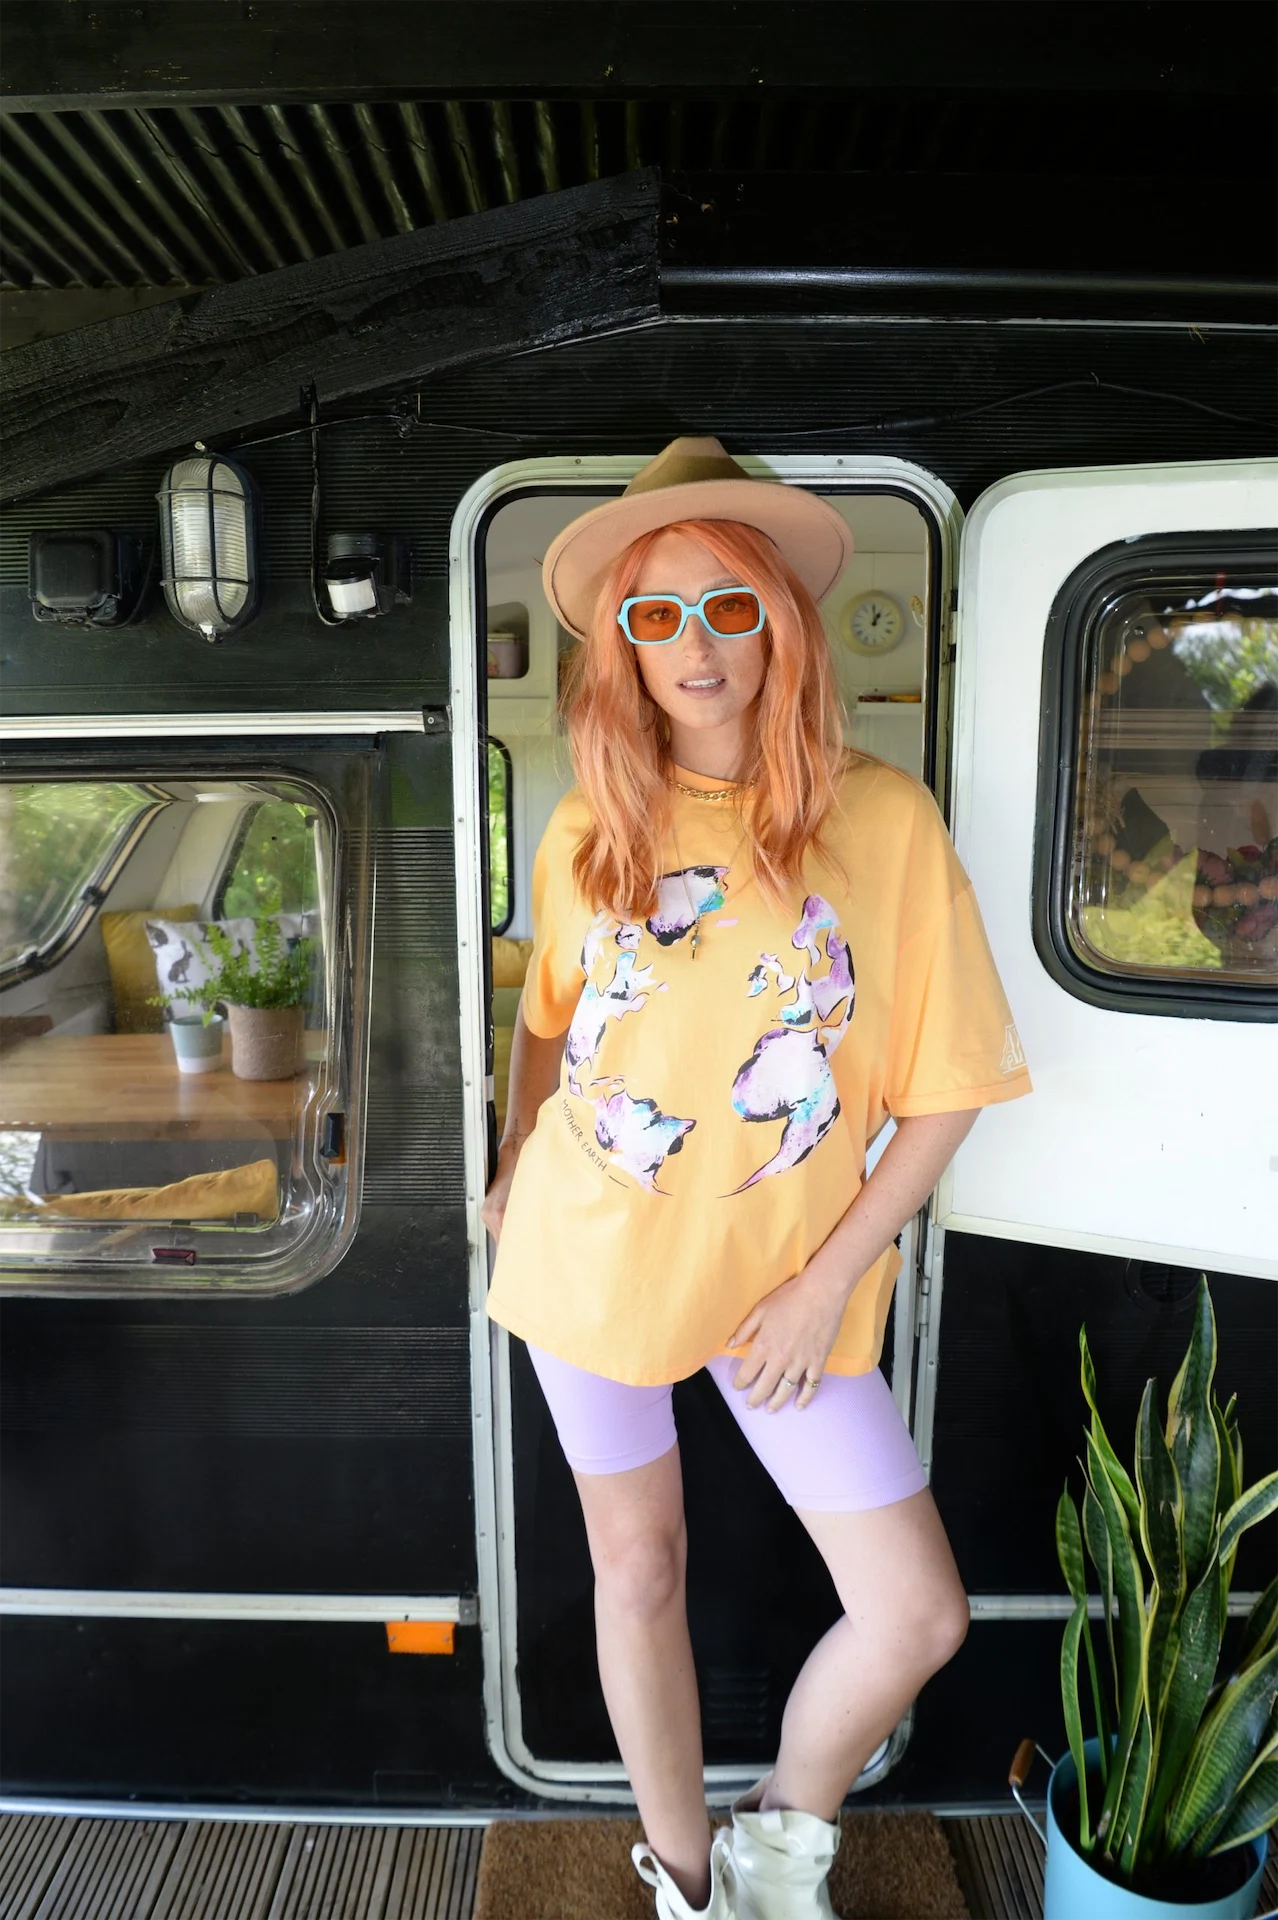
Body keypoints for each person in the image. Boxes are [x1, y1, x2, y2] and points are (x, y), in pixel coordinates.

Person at [481, 436, 1033, 1920]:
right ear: (622, 643)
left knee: (915, 1613)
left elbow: (944, 1096)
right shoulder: (590, 822)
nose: (696, 645)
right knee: (638, 1571)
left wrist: (822, 1285)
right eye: (655, 615)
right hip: (590, 1261)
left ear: (779, 620)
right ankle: (684, 1884)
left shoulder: (884, 822)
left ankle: (778, 1845)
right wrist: (510, 1162)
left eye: (729, 605)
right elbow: (545, 1020)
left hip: (787, 1284)